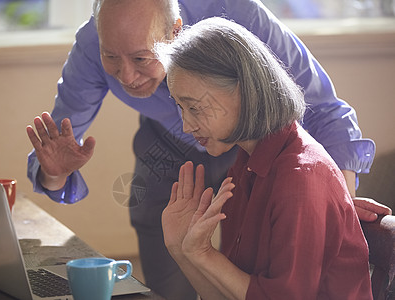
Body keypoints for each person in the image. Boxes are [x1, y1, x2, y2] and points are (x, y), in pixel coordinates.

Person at [25, 0, 390, 299]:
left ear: (175, 31)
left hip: (250, 138)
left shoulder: (237, 16)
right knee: (190, 250)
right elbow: (58, 143)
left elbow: (326, 110)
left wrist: (334, 202)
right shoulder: (93, 42)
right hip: (172, 143)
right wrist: (55, 171)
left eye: (140, 58)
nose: (127, 77)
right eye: (111, 59)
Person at [159, 17, 373, 299]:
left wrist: (204, 254)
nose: (186, 125)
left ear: (245, 91)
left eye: (195, 108)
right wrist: (183, 250)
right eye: (180, 107)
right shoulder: (245, 164)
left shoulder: (301, 179)